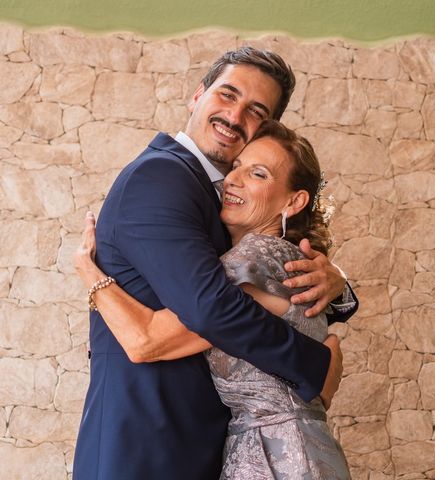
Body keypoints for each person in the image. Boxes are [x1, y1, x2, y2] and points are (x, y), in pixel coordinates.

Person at [72, 47, 357, 480]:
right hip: (146, 443)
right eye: (227, 94)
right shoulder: (161, 177)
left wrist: (339, 284)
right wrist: (315, 367)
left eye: (255, 110)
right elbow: (208, 308)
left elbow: (271, 283)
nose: (234, 115)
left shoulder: (226, 204)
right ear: (197, 95)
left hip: (210, 446)